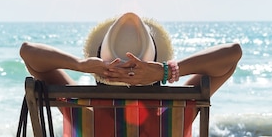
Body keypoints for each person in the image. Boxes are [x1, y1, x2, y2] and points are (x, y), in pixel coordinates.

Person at [20, 12, 242, 95]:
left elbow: (28, 52)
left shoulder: (82, 112)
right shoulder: (176, 112)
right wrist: (165, 72)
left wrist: (79, 65)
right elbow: (232, 54)